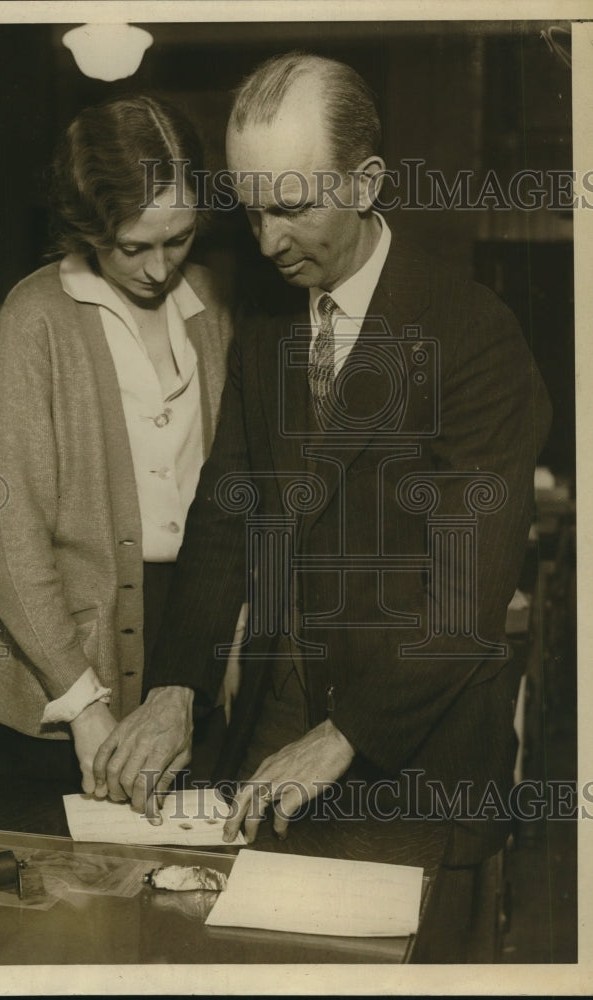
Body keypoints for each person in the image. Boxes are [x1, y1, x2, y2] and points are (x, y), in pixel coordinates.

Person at [92, 53, 552, 867]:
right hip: (273, 728)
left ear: (366, 183)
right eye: (252, 211)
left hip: (413, 763)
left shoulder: (475, 337)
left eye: (293, 207)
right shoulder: (269, 318)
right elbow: (226, 512)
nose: (269, 241)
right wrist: (175, 687)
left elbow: (464, 604)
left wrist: (341, 736)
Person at [0, 95, 235, 793]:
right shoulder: (36, 317)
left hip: (190, 639)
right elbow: (11, 541)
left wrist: (231, 641)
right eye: (133, 247)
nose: (159, 269)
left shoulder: (210, 305)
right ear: (88, 226)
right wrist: (83, 704)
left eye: (178, 240)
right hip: (62, 659)